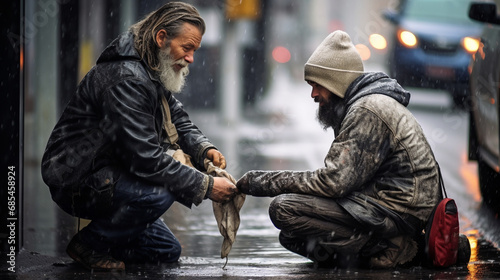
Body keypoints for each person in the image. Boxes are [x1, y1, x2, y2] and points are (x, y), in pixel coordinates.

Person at [41, 2, 238, 271]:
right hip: (78, 178)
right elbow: (145, 159)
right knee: (162, 190)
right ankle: (89, 244)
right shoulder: (127, 78)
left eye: (195, 50)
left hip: (109, 171)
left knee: (164, 250)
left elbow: (177, 118)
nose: (191, 58)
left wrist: (204, 149)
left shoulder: (150, 68)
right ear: (161, 38)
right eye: (187, 47)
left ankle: (107, 239)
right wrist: (206, 186)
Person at [236, 30, 448, 268]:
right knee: (293, 237)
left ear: (336, 83)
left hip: (401, 211)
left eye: (318, 85)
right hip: (387, 204)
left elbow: (332, 182)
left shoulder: (367, 109)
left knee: (284, 209)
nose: (313, 94)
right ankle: (388, 252)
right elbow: (341, 179)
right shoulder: (361, 104)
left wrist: (260, 182)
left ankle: (399, 248)